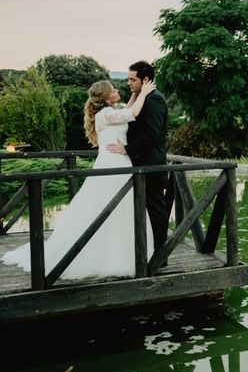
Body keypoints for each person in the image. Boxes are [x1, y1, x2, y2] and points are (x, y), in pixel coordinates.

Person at [2, 80, 156, 279]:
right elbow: (132, 113)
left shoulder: (109, 112)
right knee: (109, 207)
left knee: (120, 208)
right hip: (113, 164)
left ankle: (118, 250)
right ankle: (104, 255)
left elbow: (126, 110)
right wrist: (143, 92)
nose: (118, 90)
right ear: (108, 98)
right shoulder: (105, 114)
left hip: (119, 161)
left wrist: (136, 94)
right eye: (114, 90)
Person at [107, 61, 169, 256]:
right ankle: (143, 252)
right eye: (128, 79)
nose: (128, 83)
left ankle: (160, 255)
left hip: (151, 164)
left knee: (156, 211)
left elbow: (152, 132)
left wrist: (127, 149)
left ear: (146, 79)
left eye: (132, 79)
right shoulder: (142, 97)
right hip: (138, 163)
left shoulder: (154, 99)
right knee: (140, 211)